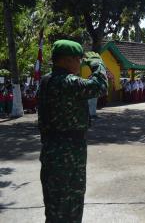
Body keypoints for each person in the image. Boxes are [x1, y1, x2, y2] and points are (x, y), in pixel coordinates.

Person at [37, 40, 108, 222]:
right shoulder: (67, 82)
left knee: (54, 208)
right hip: (68, 157)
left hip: (52, 152)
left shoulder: (46, 80)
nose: (80, 64)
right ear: (67, 60)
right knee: (69, 208)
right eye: (78, 60)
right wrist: (98, 64)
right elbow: (99, 86)